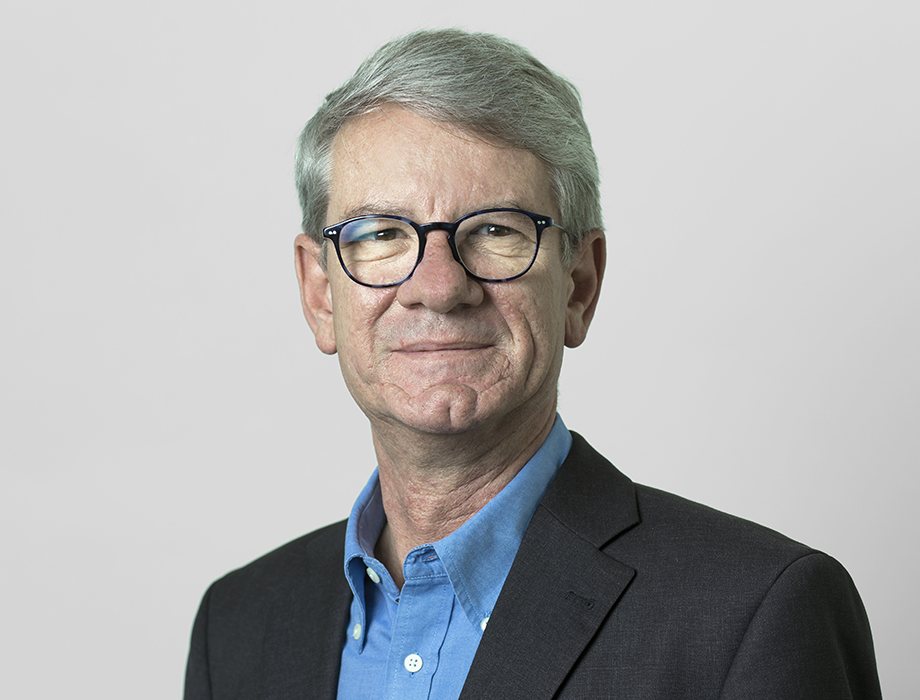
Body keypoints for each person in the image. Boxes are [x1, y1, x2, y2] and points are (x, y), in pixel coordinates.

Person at [183, 28, 881, 700]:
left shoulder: (753, 614)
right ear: (319, 293)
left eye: (495, 230)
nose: (438, 287)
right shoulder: (239, 627)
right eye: (383, 234)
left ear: (579, 284)